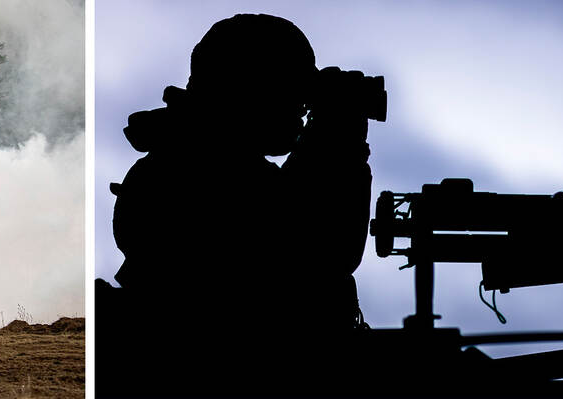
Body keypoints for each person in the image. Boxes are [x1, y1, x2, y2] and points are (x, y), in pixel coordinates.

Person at [98, 13, 374, 395]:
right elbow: (320, 253)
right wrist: (336, 140)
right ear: (252, 91)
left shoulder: (195, 157)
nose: (303, 107)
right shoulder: (198, 169)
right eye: (293, 89)